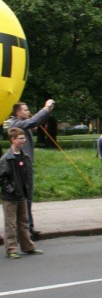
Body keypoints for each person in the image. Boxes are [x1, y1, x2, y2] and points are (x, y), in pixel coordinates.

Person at [9, 99, 55, 237]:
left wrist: (48, 111)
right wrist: (46, 108)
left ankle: (28, 227)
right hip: (21, 166)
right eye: (25, 110)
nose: (28, 112)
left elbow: (37, 122)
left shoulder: (22, 124)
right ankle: (25, 229)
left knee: (28, 197)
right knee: (24, 197)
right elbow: (33, 122)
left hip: (26, 164)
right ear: (18, 113)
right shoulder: (17, 124)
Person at [0, 128, 43, 258]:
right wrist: (12, 190)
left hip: (23, 195)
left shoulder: (25, 156)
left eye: (24, 138)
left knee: (23, 223)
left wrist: (28, 190)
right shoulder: (6, 159)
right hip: (10, 197)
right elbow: (2, 178)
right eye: (21, 138)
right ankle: (12, 249)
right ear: (13, 139)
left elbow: (28, 175)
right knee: (11, 224)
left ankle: (27, 246)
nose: (24, 141)